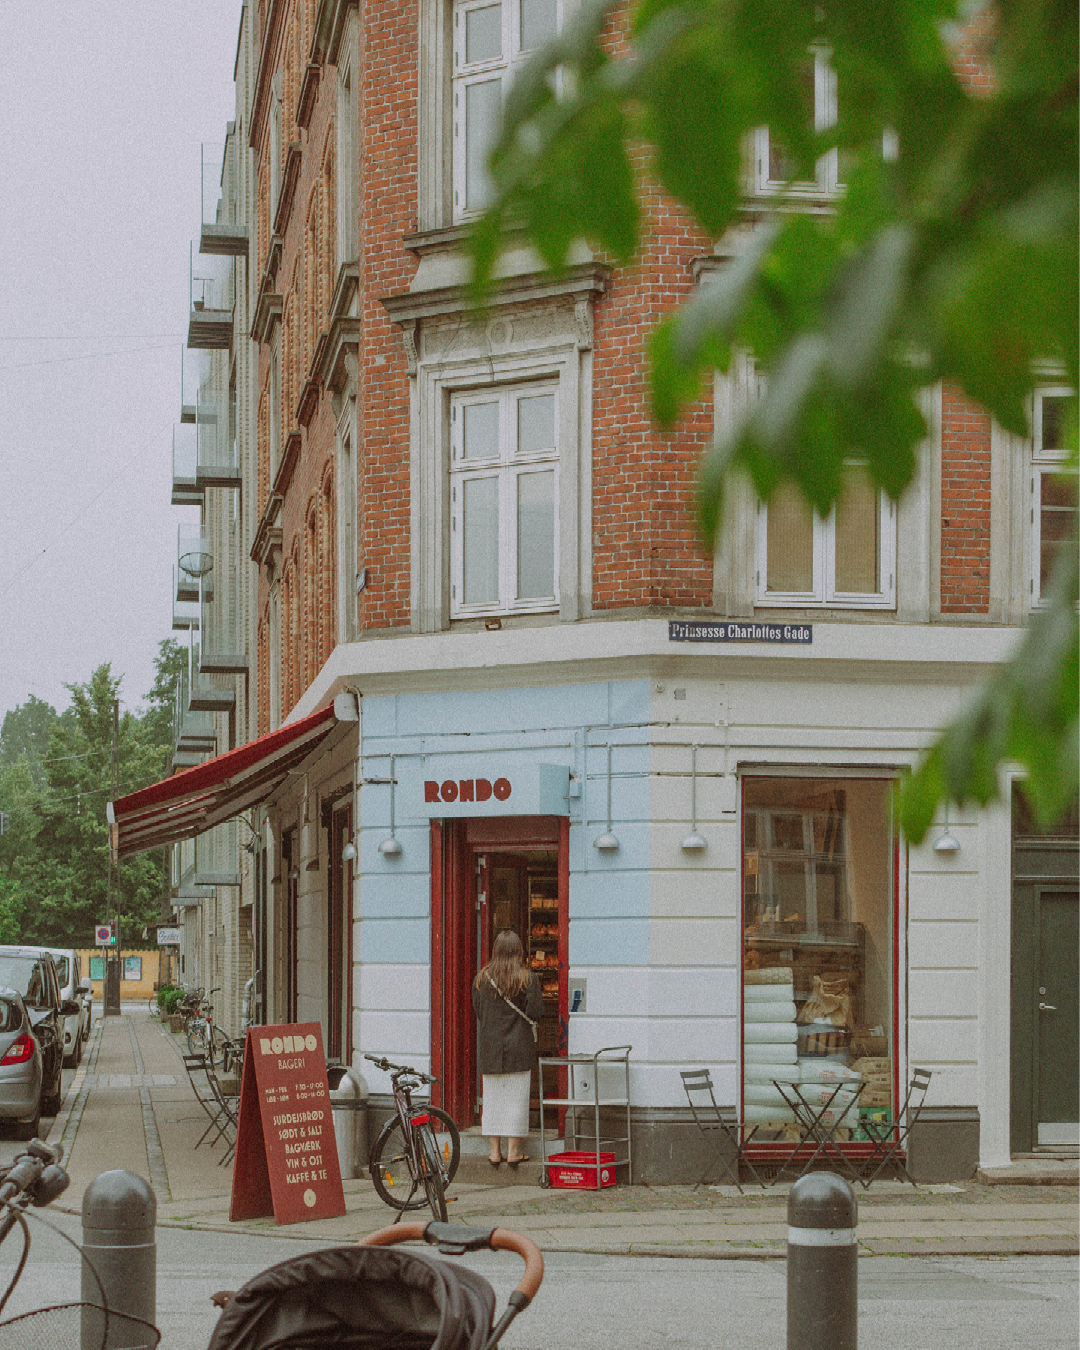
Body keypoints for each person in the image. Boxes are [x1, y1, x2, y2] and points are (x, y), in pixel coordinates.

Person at [472, 929, 543, 1167]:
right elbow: (535, 1012)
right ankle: (513, 1151)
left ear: (495, 951)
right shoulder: (527, 978)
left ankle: (494, 1151)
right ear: (518, 951)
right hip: (519, 1047)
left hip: (491, 1047)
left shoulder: (482, 978)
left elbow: (478, 1012)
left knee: (492, 1099)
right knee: (516, 1100)